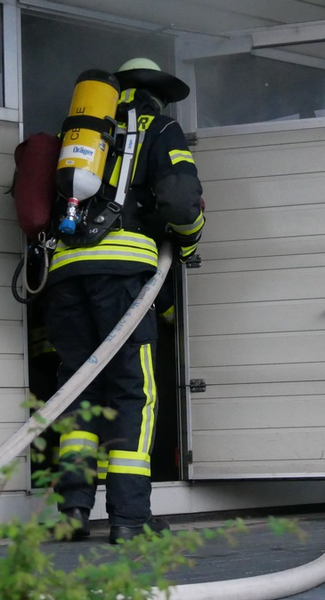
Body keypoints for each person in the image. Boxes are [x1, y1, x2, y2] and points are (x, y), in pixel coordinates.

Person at [43, 58, 205, 544]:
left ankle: (72, 512)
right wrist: (190, 241)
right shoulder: (160, 127)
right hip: (122, 278)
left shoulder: (79, 136)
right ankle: (129, 517)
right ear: (156, 93)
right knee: (134, 393)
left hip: (65, 275)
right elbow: (181, 203)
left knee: (79, 392)